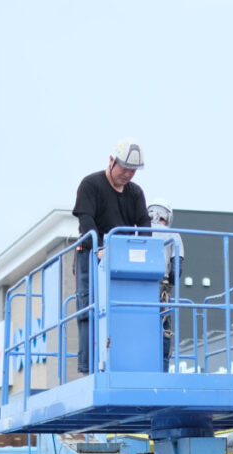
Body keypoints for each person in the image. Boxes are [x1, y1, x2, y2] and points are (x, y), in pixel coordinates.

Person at [72, 138, 151, 373]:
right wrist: (98, 247)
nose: (128, 175)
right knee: (90, 309)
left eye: (133, 171)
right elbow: (85, 218)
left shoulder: (135, 193)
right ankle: (90, 368)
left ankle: (127, 363)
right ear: (111, 161)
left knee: (125, 311)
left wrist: (146, 247)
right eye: (124, 168)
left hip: (124, 262)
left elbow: (144, 222)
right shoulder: (91, 185)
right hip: (91, 258)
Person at [147, 200, 185, 371]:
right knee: (163, 330)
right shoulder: (173, 235)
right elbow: (176, 271)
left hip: (136, 287)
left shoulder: (137, 231)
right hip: (161, 289)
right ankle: (162, 369)